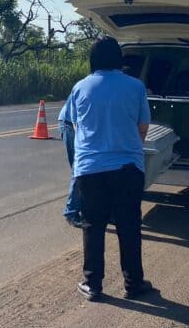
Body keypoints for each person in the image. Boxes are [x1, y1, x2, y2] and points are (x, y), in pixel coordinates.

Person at [66, 37, 154, 301]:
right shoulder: (136, 87)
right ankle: (134, 284)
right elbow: (143, 128)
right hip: (128, 167)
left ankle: (93, 285)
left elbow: (75, 126)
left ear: (92, 60)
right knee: (129, 225)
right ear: (119, 59)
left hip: (90, 169)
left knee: (93, 225)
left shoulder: (80, 88)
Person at [58, 95, 83, 228]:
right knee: (79, 168)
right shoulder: (88, 87)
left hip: (77, 124)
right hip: (70, 124)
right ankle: (71, 212)